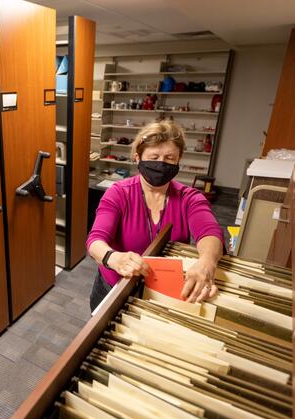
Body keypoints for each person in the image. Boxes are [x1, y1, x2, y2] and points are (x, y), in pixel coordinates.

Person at [87, 120, 224, 312]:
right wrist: (114, 258)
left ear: (179, 159)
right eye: (154, 156)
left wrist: (207, 262)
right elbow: (95, 241)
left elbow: (210, 232)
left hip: (163, 292)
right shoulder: (119, 193)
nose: (161, 163)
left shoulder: (189, 198)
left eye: (169, 157)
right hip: (114, 289)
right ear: (138, 158)